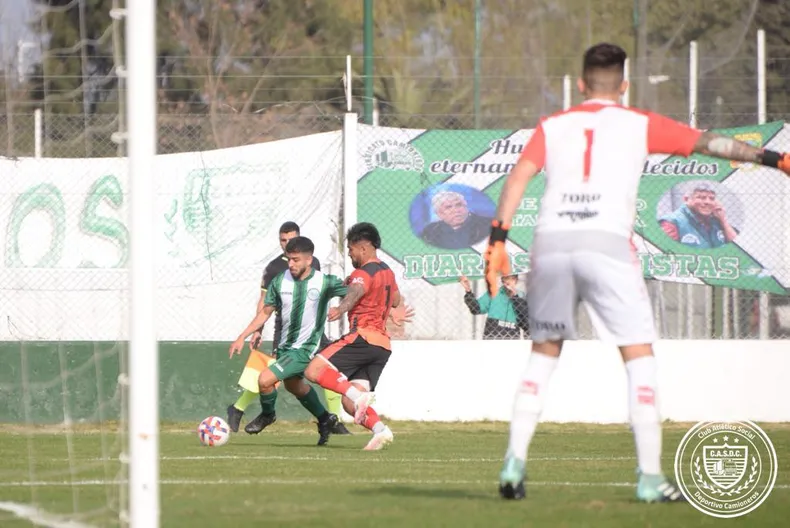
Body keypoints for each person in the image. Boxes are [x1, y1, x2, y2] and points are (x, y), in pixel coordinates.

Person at [483, 42, 790, 502]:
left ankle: (513, 463)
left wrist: (498, 241)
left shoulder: (553, 125)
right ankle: (649, 478)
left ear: (583, 84)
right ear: (623, 85)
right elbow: (712, 145)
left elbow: (517, 179)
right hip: (606, 244)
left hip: (551, 244)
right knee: (638, 358)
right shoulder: (640, 123)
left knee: (543, 355)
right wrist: (776, 160)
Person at [227, 221, 351, 436]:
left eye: (295, 260)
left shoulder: (324, 281)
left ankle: (268, 414)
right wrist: (242, 336)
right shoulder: (278, 280)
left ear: (309, 260)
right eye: (289, 259)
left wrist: (341, 308)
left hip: (306, 348)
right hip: (286, 345)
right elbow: (265, 312)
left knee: (265, 379)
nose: (291, 264)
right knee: (295, 386)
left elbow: (354, 292)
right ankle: (325, 419)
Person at [304, 222, 410, 451]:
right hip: (382, 346)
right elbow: (395, 301)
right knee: (349, 403)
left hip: (363, 337)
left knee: (313, 370)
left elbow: (357, 291)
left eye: (350, 249)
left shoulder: (363, 273)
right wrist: (388, 309)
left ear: (362, 248)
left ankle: (359, 397)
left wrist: (340, 308)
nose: (350, 254)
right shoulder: (388, 272)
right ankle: (381, 431)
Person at [659, 183, 737, 248]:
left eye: (712, 198)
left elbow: (736, 246)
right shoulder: (672, 222)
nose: (708, 202)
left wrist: (723, 220)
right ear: (686, 199)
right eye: (701, 197)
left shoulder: (716, 220)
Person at [460, 273, 529, 339]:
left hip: (512, 337)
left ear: (516, 280)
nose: (509, 281)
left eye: (512, 278)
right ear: (502, 280)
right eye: (506, 278)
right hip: (493, 336)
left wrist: (515, 296)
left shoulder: (521, 296)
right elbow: (476, 309)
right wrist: (468, 290)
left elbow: (525, 322)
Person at [421, 190, 492, 249]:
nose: (456, 210)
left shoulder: (488, 225)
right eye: (448, 207)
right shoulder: (430, 231)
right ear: (439, 213)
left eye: (459, 205)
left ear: (466, 207)